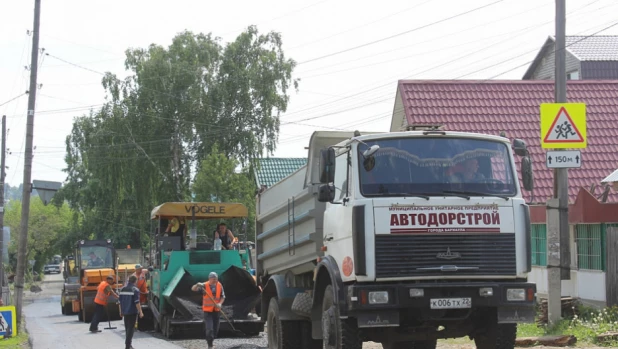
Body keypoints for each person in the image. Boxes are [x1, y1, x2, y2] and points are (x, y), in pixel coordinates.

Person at [191, 272, 226, 349]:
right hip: (208, 311)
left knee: (215, 329)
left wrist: (220, 303)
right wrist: (197, 284)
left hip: (216, 311)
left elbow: (223, 296)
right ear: (209, 279)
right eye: (214, 279)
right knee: (209, 328)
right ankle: (210, 345)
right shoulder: (204, 286)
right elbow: (193, 289)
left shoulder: (219, 285)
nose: (215, 280)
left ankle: (212, 340)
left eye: (216, 279)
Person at [119, 275, 144, 349]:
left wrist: (120, 311)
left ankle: (128, 344)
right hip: (132, 312)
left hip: (125, 312)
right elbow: (137, 302)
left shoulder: (122, 289)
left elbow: (119, 302)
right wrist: (141, 312)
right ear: (135, 281)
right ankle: (128, 345)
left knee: (127, 328)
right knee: (131, 328)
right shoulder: (135, 290)